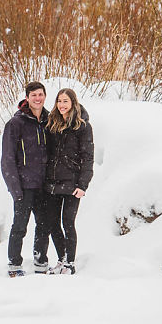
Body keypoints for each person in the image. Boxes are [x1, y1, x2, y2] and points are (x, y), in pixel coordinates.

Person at [38, 88, 94, 275]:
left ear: (73, 103)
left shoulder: (82, 127)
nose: (61, 105)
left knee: (68, 223)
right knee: (53, 223)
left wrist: (82, 185)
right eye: (59, 101)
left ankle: (70, 263)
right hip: (52, 184)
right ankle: (62, 259)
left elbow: (87, 157)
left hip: (72, 184)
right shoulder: (52, 125)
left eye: (65, 101)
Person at [1, 81, 50, 277]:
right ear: (27, 98)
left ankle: (40, 262)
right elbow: (7, 158)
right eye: (34, 95)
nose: (38, 98)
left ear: (45, 96)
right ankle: (14, 265)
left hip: (44, 186)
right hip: (24, 185)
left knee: (43, 226)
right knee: (20, 226)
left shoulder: (49, 120)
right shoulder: (16, 123)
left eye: (40, 94)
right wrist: (14, 187)